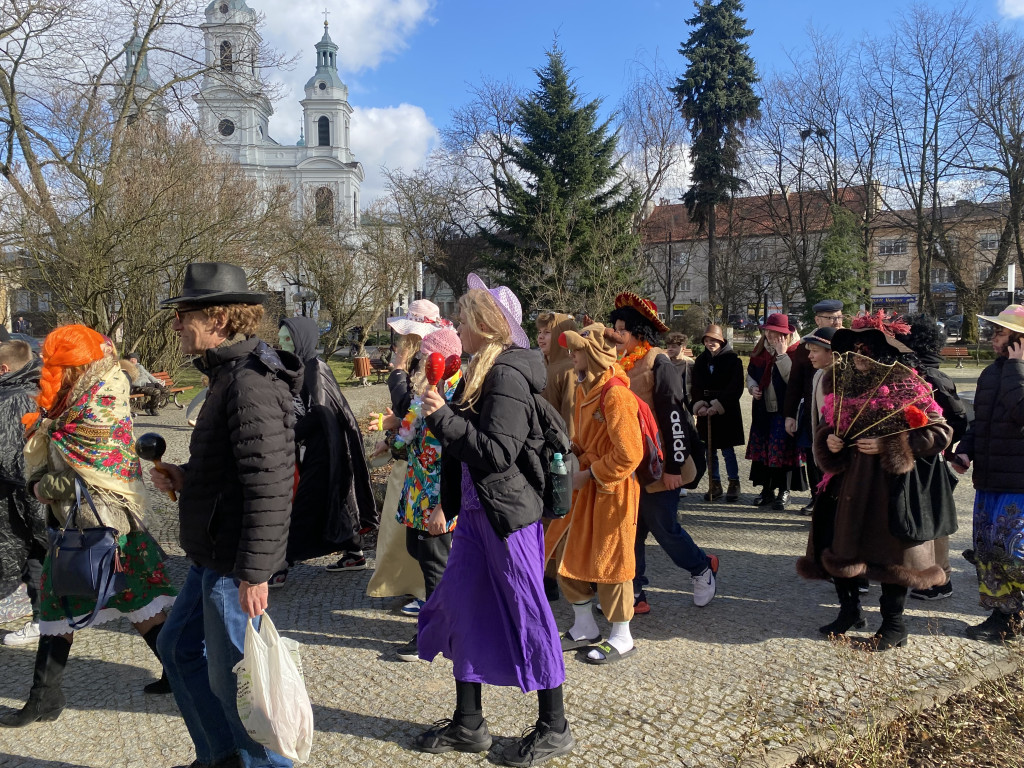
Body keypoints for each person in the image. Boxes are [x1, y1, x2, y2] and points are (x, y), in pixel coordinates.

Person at [415, 274, 574, 766]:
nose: (456, 327)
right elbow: (462, 455)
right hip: (477, 515)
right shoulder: (480, 370)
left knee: (529, 612)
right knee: (462, 608)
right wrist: (447, 502)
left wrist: (441, 415)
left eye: (462, 319)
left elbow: (496, 452)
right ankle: (469, 723)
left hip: (508, 519)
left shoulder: (505, 374)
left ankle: (554, 727)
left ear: (485, 325)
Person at [150, 262, 301, 768]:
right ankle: (221, 757)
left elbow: (271, 484)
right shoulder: (226, 374)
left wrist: (256, 572)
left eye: (183, 314)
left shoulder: (249, 383)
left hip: (234, 562)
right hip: (211, 554)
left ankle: (264, 764)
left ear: (217, 318)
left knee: (238, 682)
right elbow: (236, 467)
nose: (175, 325)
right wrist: (188, 477)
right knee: (176, 649)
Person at [1, 326, 178, 728]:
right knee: (66, 603)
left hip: (104, 526)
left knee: (135, 604)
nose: (50, 372)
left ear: (77, 365)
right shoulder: (79, 396)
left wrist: (45, 485)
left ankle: (179, 671)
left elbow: (102, 468)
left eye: (57, 364)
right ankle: (45, 698)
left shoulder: (100, 401)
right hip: (78, 526)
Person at [797, 317, 951, 651]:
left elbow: (939, 433)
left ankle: (894, 625)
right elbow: (827, 425)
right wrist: (830, 441)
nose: (858, 358)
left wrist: (890, 445)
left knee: (892, 559)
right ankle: (849, 611)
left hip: (887, 489)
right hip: (843, 483)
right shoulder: (840, 384)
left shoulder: (909, 385)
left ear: (883, 354)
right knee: (837, 547)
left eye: (865, 352)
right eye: (854, 352)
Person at [609, 292, 717, 611]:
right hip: (629, 464)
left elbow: (675, 419)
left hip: (661, 464)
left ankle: (701, 568)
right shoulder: (617, 363)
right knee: (629, 529)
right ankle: (636, 589)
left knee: (662, 525)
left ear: (640, 333)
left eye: (622, 330)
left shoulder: (659, 362)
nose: (616, 335)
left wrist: (674, 466)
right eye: (615, 329)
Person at [546, 323, 643, 664]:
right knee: (567, 552)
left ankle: (622, 636)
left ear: (591, 354)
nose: (571, 356)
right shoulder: (589, 388)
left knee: (612, 563)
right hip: (587, 489)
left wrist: (590, 473)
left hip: (612, 493)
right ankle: (585, 626)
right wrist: (571, 450)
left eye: (576, 351)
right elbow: (590, 441)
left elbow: (630, 454)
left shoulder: (615, 394)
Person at [274, 317, 377, 588]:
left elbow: (320, 413)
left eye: (288, 339)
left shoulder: (314, 368)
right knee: (334, 499)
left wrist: (289, 434)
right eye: (282, 339)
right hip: (319, 446)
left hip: (326, 449)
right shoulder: (299, 367)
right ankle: (353, 552)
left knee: (307, 504)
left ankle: (281, 563)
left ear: (301, 340)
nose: (282, 344)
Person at [383, 326, 463, 662]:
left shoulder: (457, 395)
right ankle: (448, 627)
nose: (421, 363)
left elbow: (457, 454)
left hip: (437, 496)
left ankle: (434, 636)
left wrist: (446, 504)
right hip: (418, 491)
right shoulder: (429, 389)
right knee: (419, 551)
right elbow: (407, 436)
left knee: (435, 565)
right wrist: (393, 432)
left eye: (428, 356)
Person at [364, 301, 445, 609]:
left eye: (406, 334)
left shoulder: (428, 362)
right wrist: (391, 432)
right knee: (404, 530)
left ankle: (426, 591)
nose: (401, 341)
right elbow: (409, 415)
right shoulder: (421, 360)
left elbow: (412, 409)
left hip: (425, 461)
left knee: (419, 530)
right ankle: (415, 586)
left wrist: (397, 371)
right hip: (413, 455)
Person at [953, 305, 1024, 642]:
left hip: (1019, 482)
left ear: (1018, 340)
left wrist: (1015, 367)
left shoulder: (1012, 370)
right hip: (990, 478)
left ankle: (1016, 613)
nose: (993, 338)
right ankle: (1004, 618)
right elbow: (980, 421)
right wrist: (966, 449)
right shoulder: (991, 373)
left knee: (1014, 552)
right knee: (988, 550)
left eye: (1000, 332)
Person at [895, 315, 969, 601]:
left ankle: (939, 580)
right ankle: (937, 578)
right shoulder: (934, 372)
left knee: (929, 520)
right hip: (932, 457)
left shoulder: (922, 376)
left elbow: (953, 423)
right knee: (933, 519)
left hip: (925, 459)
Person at [0, 340, 46, 648]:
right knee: (37, 555)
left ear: (4, 370)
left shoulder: (10, 398)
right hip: (33, 495)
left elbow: (8, 456)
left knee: (32, 555)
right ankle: (44, 619)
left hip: (18, 497)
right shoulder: (37, 391)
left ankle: (44, 619)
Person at [785, 300, 845, 514]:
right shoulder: (806, 346)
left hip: (840, 415)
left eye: (840, 317)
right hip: (813, 410)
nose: (837, 322)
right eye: (832, 318)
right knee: (813, 454)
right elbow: (795, 382)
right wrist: (789, 415)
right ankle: (816, 496)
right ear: (818, 320)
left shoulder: (850, 342)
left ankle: (835, 500)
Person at [535, 311, 578, 601]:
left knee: (555, 518)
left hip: (558, 456)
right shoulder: (542, 365)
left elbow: (570, 418)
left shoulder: (567, 370)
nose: (540, 336)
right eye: (539, 331)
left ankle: (551, 578)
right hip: (538, 453)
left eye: (548, 332)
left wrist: (565, 455)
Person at [746, 313, 807, 510]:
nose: (772, 338)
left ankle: (784, 491)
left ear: (787, 335)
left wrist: (781, 355)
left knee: (783, 452)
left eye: (777, 334)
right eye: (769, 334)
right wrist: (752, 386)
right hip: (763, 410)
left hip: (784, 410)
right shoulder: (761, 349)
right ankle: (767, 490)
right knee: (764, 452)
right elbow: (750, 374)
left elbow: (794, 381)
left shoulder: (797, 351)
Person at [690, 324, 745, 503]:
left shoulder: (733, 360)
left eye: (713, 340)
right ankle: (715, 483)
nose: (710, 343)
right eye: (707, 340)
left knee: (727, 450)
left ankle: (733, 483)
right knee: (709, 450)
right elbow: (696, 385)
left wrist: (718, 405)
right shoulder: (700, 361)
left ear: (721, 341)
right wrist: (701, 405)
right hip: (706, 410)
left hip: (726, 410)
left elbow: (735, 387)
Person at [791, 326, 839, 514]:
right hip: (820, 444)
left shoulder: (840, 378)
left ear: (832, 353)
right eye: (810, 350)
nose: (810, 356)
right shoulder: (818, 374)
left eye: (815, 351)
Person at [125, 351, 168, 416]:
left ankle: (148, 405)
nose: (133, 361)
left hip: (147, 385)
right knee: (156, 391)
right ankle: (153, 409)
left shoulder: (140, 367)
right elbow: (132, 381)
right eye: (131, 359)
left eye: (135, 359)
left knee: (166, 391)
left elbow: (149, 375)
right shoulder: (127, 369)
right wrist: (146, 384)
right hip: (137, 387)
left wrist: (156, 383)